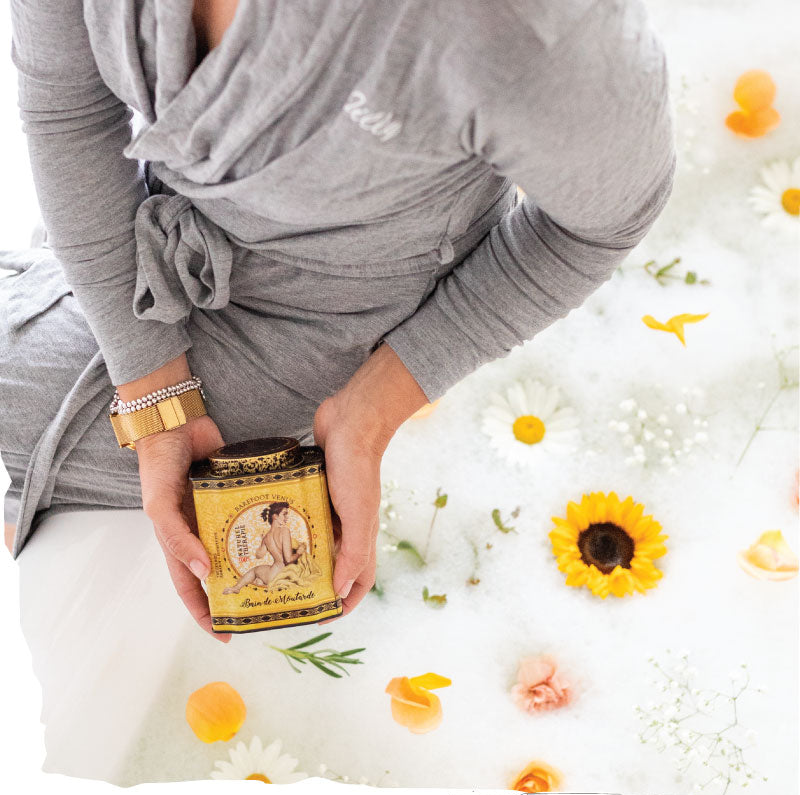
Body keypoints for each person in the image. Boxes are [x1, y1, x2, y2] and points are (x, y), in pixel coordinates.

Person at [1, 0, 676, 644]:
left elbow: (607, 220)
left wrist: (380, 402)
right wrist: (152, 387)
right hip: (149, 240)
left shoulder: (528, 27)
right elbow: (70, 110)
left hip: (307, 335)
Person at [222, 502, 308, 594]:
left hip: (271, 574)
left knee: (255, 570)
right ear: (275, 516)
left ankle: (237, 587)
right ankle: (260, 581)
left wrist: (263, 540)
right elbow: (288, 559)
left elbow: (259, 555)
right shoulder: (284, 530)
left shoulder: (267, 537)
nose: (287, 517)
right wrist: (299, 552)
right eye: (284, 514)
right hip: (282, 574)